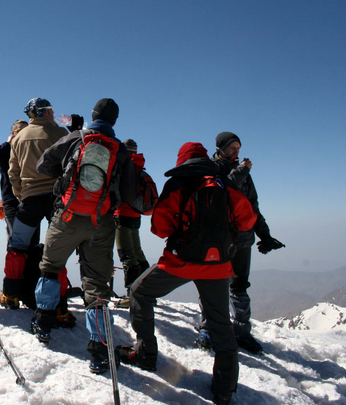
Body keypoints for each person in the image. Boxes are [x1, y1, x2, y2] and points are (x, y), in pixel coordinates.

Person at [116, 142, 257, 405]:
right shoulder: (224, 183)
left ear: (181, 159)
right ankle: (225, 388)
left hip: (180, 262)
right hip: (218, 266)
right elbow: (247, 219)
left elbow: (160, 227)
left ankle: (145, 353)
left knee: (139, 291)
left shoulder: (178, 183)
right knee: (220, 323)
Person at [32, 98, 139, 375]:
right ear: (114, 121)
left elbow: (43, 165)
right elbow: (129, 194)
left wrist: (67, 177)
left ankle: (42, 324)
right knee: (96, 286)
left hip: (66, 216)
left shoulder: (75, 138)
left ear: (93, 116)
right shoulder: (120, 151)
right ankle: (99, 350)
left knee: (51, 267)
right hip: (100, 223)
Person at [196, 132, 285, 354]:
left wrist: (264, 234)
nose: (237, 152)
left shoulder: (242, 171)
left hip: (243, 239)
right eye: (232, 148)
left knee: (239, 285)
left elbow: (252, 206)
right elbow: (222, 191)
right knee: (214, 285)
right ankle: (207, 329)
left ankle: (242, 332)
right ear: (221, 148)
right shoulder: (212, 168)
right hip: (220, 240)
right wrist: (242, 170)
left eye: (238, 148)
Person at [0, 98, 69, 311]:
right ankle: (59, 303)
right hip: (58, 198)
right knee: (56, 250)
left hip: (30, 199)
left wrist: (23, 195)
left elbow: (13, 172)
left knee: (17, 247)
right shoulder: (61, 134)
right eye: (51, 110)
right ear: (45, 112)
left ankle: (10, 294)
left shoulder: (20, 137)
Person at [114, 139, 151, 291]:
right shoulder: (139, 168)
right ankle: (145, 289)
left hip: (121, 215)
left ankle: (132, 293)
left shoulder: (122, 166)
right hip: (136, 216)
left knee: (126, 255)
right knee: (137, 252)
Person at [0, 120, 28, 244]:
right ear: (13, 133)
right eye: (20, 131)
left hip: (29, 198)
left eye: (26, 131)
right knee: (15, 239)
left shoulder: (30, 150)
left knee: (31, 240)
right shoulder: (7, 151)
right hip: (11, 200)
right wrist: (8, 143)